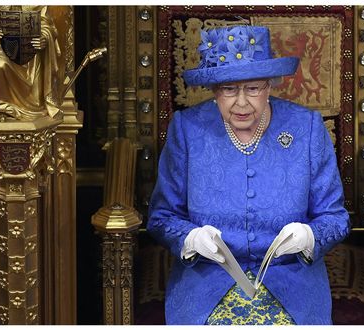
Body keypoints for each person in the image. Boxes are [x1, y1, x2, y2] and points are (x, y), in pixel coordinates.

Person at [147, 25, 350, 325]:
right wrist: (190, 239)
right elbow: (161, 216)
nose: (241, 102)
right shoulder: (188, 129)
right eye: (229, 89)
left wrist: (309, 236)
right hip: (207, 287)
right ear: (215, 91)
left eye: (253, 88)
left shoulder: (306, 127)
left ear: (269, 86)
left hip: (292, 286)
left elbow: (336, 217)